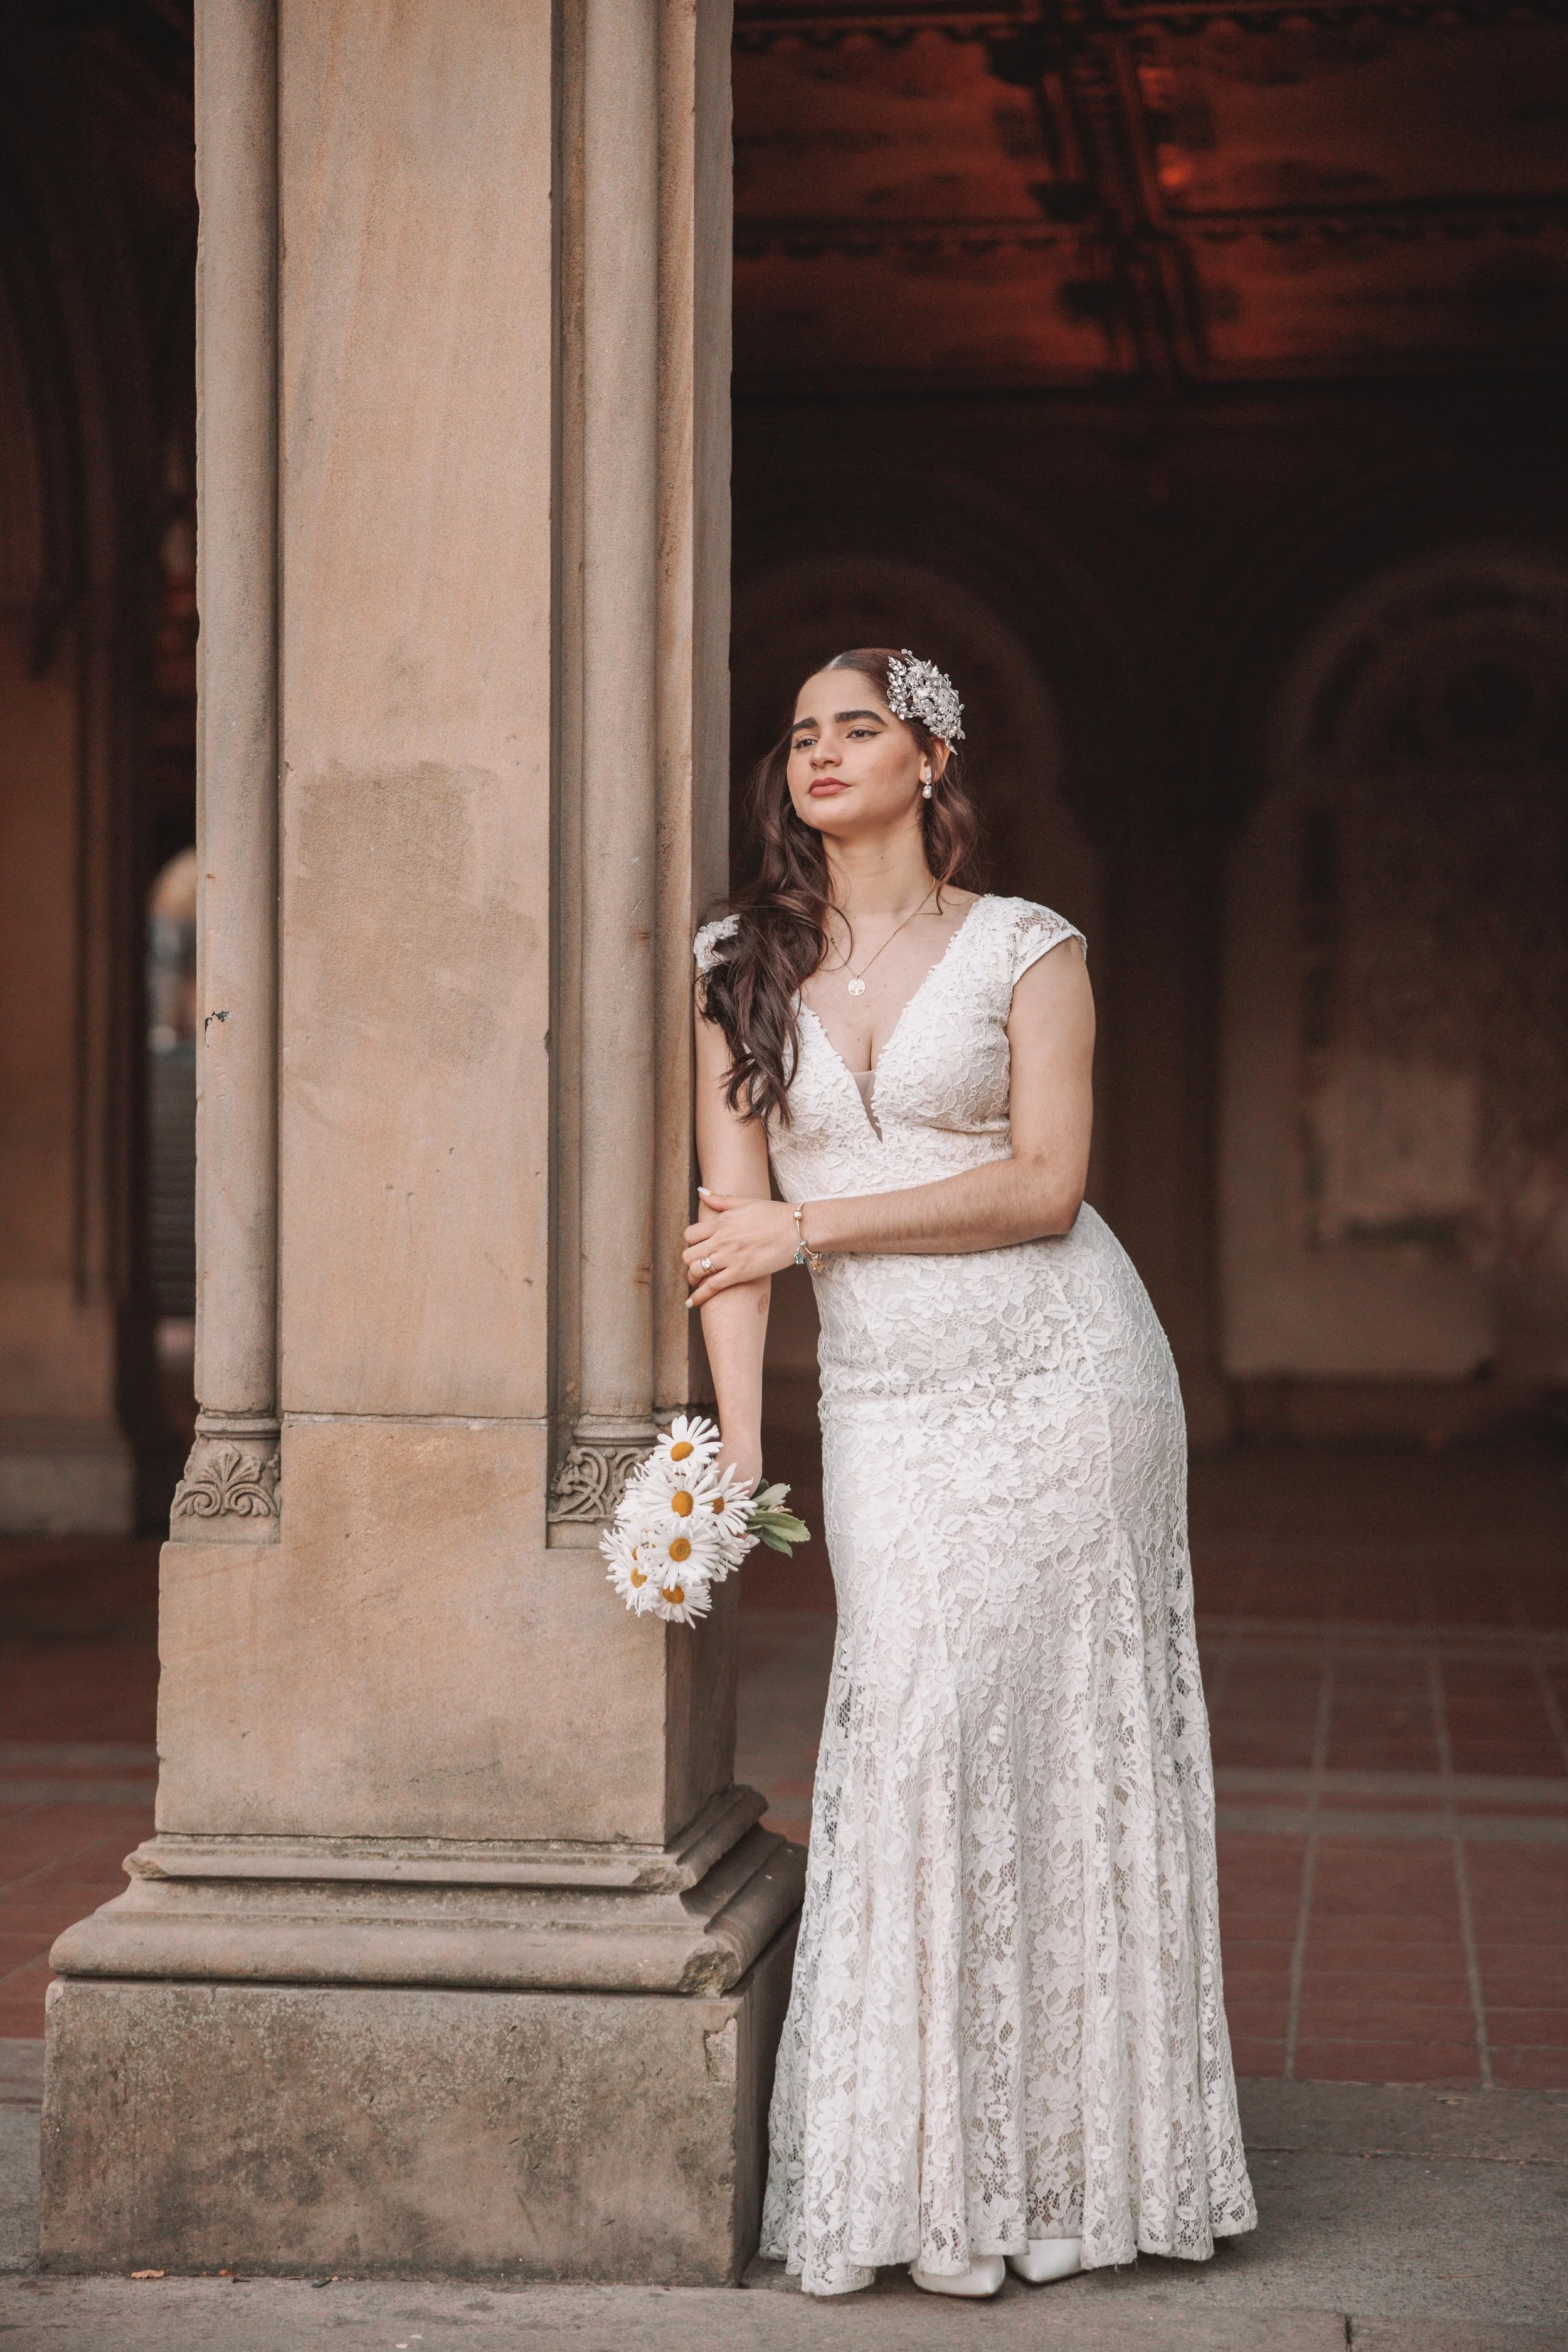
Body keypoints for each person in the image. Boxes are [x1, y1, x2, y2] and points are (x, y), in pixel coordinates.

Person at [685, 647, 1255, 2301]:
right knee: (916, 1722)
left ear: (929, 756)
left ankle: (1084, 2171)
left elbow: (1042, 1185)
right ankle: (920, 2178)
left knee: (1056, 1747)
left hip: (1066, 1375)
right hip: (887, 1403)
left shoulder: (1027, 948)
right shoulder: (742, 958)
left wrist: (817, 1220)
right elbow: (733, 1236)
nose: (819, 752)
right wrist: (735, 1447)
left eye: (855, 725)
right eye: (798, 732)